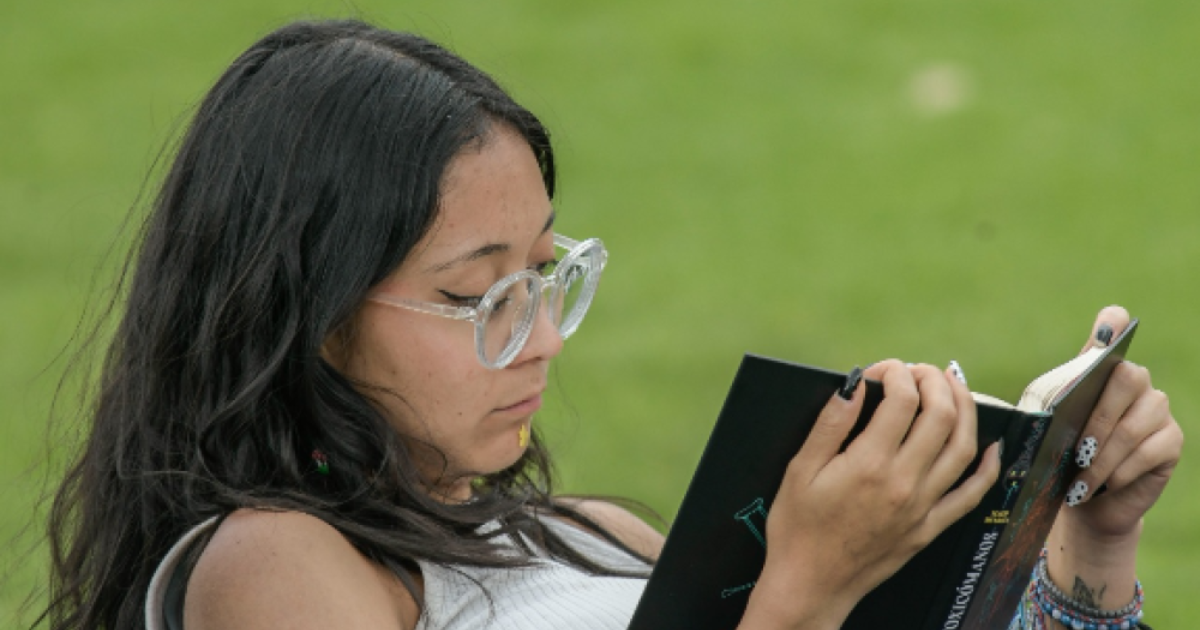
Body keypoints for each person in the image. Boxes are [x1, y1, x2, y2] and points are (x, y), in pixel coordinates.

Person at [42, 19, 1181, 630]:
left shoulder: (589, 536)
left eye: (545, 274)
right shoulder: (272, 562)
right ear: (309, 319)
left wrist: (1083, 545)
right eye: (474, 295)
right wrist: (803, 592)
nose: (540, 336)